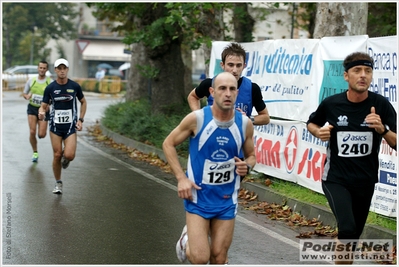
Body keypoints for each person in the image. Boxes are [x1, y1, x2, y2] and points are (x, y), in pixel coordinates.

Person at [306, 51, 397, 264]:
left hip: (365, 181)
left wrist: (382, 130)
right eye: (357, 71)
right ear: (346, 76)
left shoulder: (381, 105)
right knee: (346, 229)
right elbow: (311, 123)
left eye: (367, 71)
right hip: (336, 178)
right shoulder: (332, 104)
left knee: (352, 239)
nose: (363, 75)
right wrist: (318, 132)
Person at [163, 72, 256, 264]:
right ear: (212, 92)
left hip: (226, 199)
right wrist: (181, 178)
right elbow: (168, 144)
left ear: (237, 93)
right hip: (198, 197)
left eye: (232, 89)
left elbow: (252, 156)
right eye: (222, 88)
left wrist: (247, 166)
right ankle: (186, 240)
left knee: (219, 257)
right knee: (200, 258)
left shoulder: (245, 124)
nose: (227, 93)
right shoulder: (196, 119)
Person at [187, 42, 270, 126]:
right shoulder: (209, 84)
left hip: (239, 137)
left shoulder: (252, 88)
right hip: (212, 135)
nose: (234, 70)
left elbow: (266, 118)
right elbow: (193, 96)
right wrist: (199, 117)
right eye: (230, 65)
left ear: (244, 66)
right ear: (222, 65)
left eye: (238, 65)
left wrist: (247, 119)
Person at [38, 58, 87, 194]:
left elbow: (83, 102)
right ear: (55, 70)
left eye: (64, 68)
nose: (61, 71)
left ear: (67, 70)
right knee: (57, 154)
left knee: (69, 155)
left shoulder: (75, 86)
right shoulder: (50, 88)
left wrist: (81, 120)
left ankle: (67, 159)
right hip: (55, 126)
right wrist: (41, 113)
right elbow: (43, 106)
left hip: (70, 126)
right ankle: (58, 183)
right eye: (59, 68)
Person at [22, 60, 53, 162]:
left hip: (44, 110)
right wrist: (27, 96)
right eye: (40, 68)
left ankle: (40, 131)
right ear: (38, 68)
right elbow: (24, 93)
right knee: (32, 131)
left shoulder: (50, 82)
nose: (42, 70)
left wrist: (49, 103)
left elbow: (54, 97)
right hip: (32, 108)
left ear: (47, 69)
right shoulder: (32, 80)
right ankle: (35, 152)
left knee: (42, 134)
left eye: (44, 68)